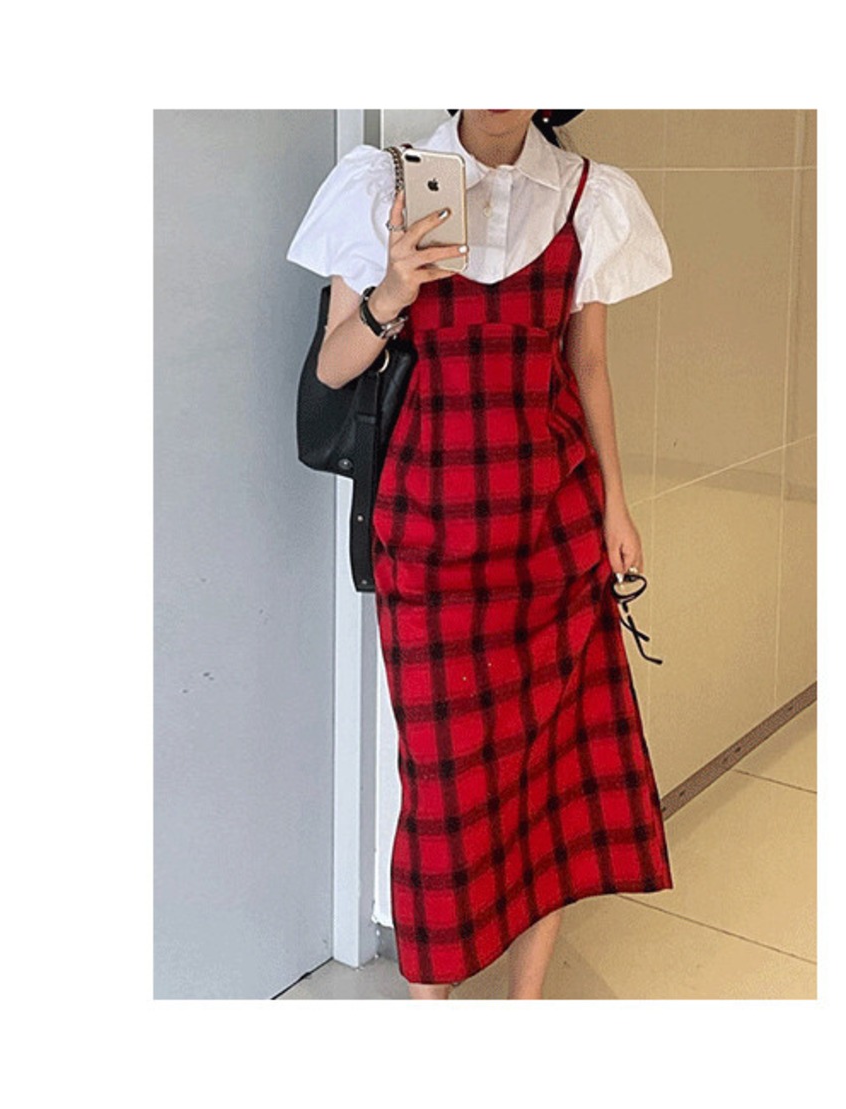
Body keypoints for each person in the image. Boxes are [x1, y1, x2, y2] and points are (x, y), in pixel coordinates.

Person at [287, 109, 675, 1000]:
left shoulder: (586, 196)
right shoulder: (382, 183)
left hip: (553, 540)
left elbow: (587, 365)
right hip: (430, 540)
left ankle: (523, 1002)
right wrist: (392, 291)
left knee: (553, 776)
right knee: (445, 791)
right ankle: (432, 1002)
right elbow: (333, 369)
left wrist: (615, 504)